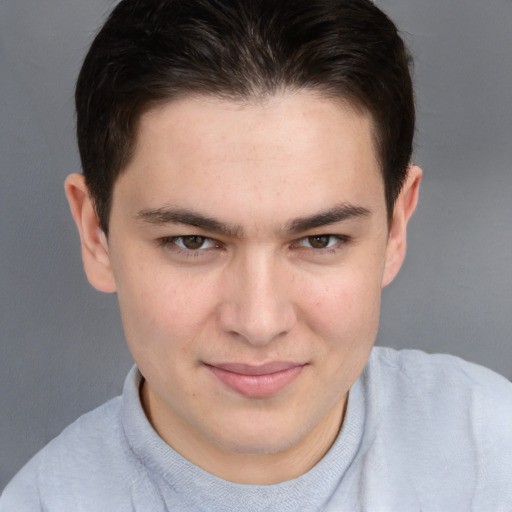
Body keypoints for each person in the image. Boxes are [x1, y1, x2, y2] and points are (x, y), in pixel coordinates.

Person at [1, 0, 511, 510]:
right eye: (193, 241)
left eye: (320, 240)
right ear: (97, 235)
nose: (259, 322)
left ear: (395, 228)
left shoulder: (494, 448)